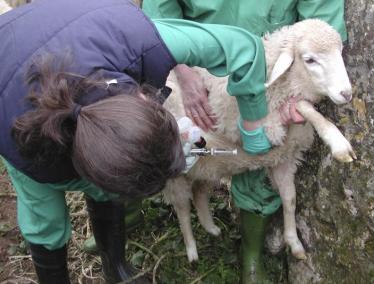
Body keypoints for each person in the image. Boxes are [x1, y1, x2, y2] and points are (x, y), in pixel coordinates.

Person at [0, 0, 277, 283]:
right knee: (44, 217)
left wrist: (253, 125)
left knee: (113, 178)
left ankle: (116, 268)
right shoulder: (24, 142)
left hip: (79, 21)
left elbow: (244, 47)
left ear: (145, 97)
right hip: (8, 61)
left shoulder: (143, 41)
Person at [142, 1, 348, 283]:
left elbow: (322, 25)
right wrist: (182, 70)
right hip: (199, 67)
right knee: (173, 138)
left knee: (265, 154)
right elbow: (160, 11)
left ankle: (251, 255)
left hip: (274, 74)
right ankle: (123, 210)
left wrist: (301, 92)